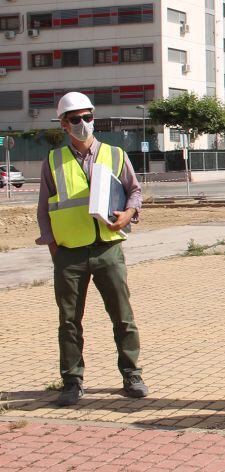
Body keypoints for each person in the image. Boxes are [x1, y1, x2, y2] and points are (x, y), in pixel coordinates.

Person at [36, 92, 147, 406]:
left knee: (123, 317)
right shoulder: (54, 160)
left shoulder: (114, 153)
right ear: (63, 123)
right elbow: (43, 209)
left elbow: (134, 192)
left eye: (87, 117)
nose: (83, 124)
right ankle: (72, 381)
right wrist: (55, 249)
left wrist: (129, 213)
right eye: (75, 119)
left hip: (108, 249)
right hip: (69, 253)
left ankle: (132, 375)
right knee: (69, 321)